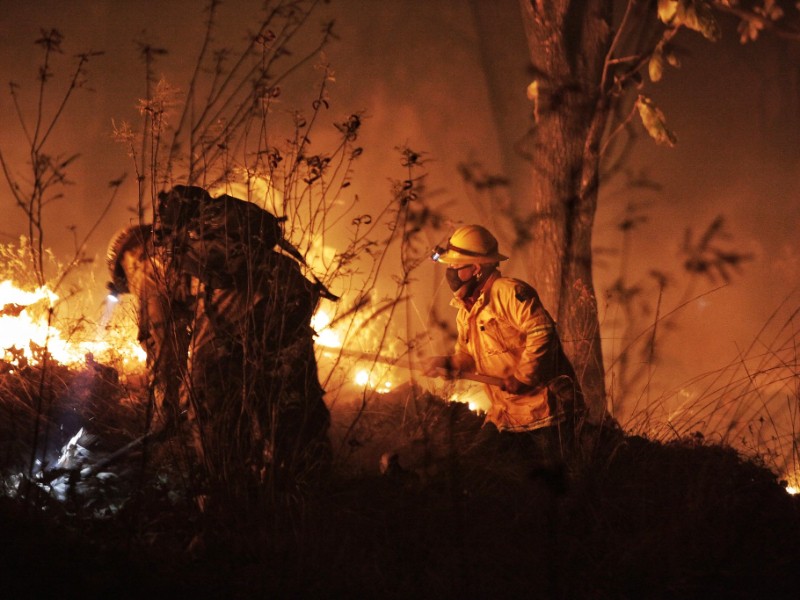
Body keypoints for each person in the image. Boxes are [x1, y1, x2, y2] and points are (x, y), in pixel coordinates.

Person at [424, 224, 583, 475]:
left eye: (455, 267)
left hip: (548, 413)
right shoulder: (467, 311)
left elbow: (542, 331)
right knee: (477, 473)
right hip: (506, 415)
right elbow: (468, 356)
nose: (450, 273)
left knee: (549, 488)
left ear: (476, 268)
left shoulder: (509, 292)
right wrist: (450, 363)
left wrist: (523, 376)